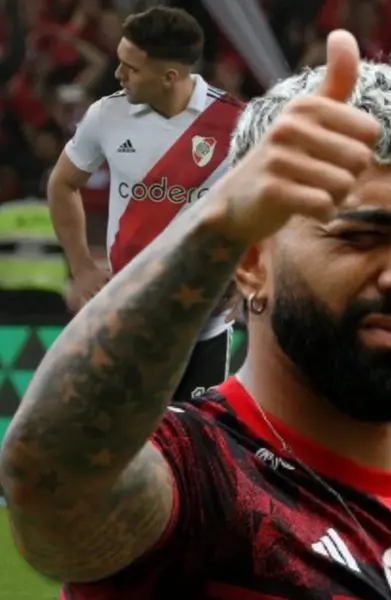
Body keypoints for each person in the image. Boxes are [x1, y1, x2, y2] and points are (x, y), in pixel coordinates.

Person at [0, 31, 391, 600]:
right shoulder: (198, 477)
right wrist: (214, 226)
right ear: (251, 263)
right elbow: (49, 486)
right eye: (362, 235)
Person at [46, 7, 242, 401]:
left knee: (196, 450)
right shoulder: (106, 115)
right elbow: (63, 184)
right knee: (128, 454)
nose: (118, 74)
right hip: (125, 320)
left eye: (130, 67)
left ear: (169, 77)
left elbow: (271, 203)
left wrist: (252, 271)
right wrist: (81, 265)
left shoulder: (239, 122)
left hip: (204, 324)